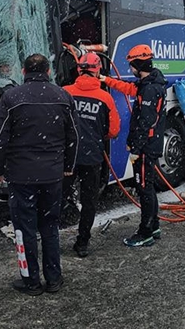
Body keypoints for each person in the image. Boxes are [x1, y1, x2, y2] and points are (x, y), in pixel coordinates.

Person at [0, 54, 78, 296]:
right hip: (53, 176)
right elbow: (74, 137)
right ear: (48, 72)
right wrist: (69, 165)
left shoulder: (12, 97)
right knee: (50, 226)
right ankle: (54, 278)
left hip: (21, 176)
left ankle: (31, 281)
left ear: (24, 72)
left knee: (24, 229)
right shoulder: (63, 96)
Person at [99, 44, 167, 248]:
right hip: (149, 147)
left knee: (144, 188)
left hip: (145, 149)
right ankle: (153, 226)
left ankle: (145, 232)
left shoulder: (150, 89)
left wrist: (135, 150)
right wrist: (105, 80)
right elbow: (128, 88)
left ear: (138, 63)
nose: (130, 68)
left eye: (131, 65)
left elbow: (146, 123)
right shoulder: (149, 84)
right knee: (149, 187)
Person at [62, 52, 120, 258]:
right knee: (89, 201)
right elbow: (113, 131)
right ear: (97, 71)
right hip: (92, 157)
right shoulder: (105, 97)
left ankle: (49, 236)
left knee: (57, 198)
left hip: (67, 157)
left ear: (79, 69)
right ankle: (82, 243)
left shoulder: (64, 93)